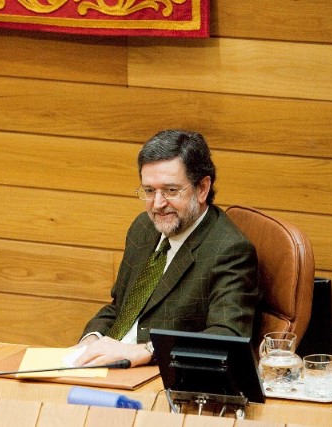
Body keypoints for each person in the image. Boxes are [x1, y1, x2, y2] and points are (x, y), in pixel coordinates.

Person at [75, 130, 260, 368]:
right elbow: (120, 307)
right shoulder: (144, 228)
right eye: (149, 191)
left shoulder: (229, 250)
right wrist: (91, 341)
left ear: (202, 188)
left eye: (171, 190)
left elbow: (226, 338)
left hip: (160, 375)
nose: (158, 204)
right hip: (106, 367)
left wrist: (148, 350)